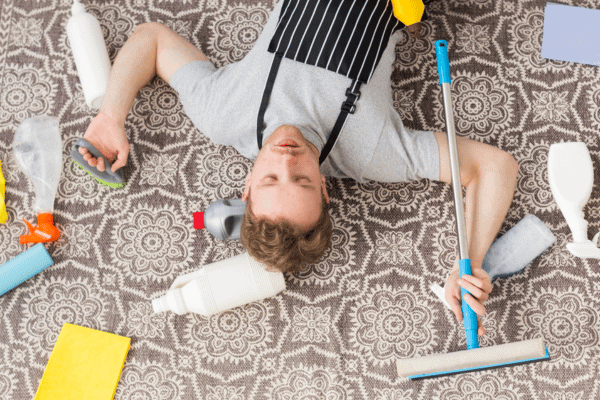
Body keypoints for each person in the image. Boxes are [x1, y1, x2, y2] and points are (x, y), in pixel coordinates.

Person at [77, 0, 518, 336]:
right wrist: (470, 261)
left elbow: (151, 39)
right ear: (326, 189)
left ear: (246, 187)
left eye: (270, 177)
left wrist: (112, 116)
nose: (286, 158)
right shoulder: (374, 155)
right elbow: (493, 167)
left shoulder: (222, 113)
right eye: (302, 178)